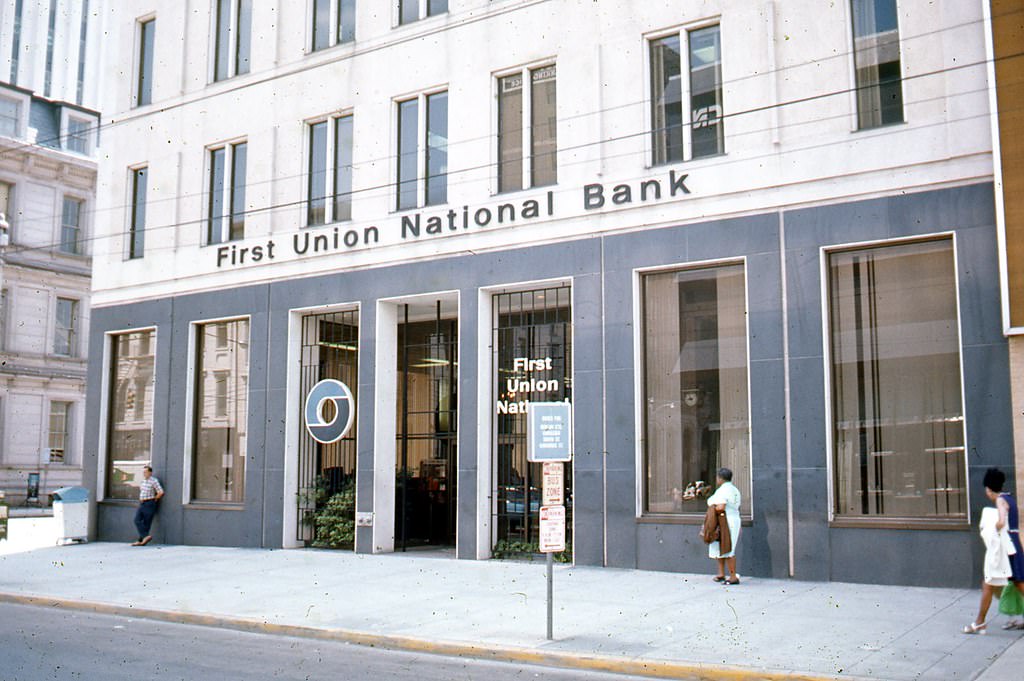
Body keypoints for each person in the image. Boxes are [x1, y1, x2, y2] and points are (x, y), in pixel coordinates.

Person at [963, 468, 1023, 634]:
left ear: (988, 489)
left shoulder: (1000, 500)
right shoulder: (1009, 497)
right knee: (1014, 583)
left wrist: (994, 527)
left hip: (1006, 548)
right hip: (1014, 545)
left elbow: (1002, 521)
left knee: (991, 583)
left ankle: (980, 622)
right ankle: (981, 621)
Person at [707, 467, 741, 585]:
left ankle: (732, 576)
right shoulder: (734, 489)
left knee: (727, 547)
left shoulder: (723, 490)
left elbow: (721, 506)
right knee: (720, 546)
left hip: (726, 521)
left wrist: (712, 509)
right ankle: (721, 574)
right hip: (732, 519)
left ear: (720, 478)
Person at [132, 466, 163, 546]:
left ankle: (141, 540)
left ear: (150, 472)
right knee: (137, 520)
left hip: (149, 503)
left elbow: (161, 492)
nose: (144, 473)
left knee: (146, 522)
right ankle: (145, 536)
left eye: (145, 472)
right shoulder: (143, 481)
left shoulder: (154, 481)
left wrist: (154, 499)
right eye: (143, 472)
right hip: (142, 503)